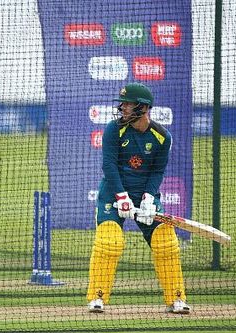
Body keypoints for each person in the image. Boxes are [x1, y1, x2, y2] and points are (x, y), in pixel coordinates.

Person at [86, 82, 190, 314]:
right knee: (109, 241)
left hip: (144, 194)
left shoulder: (162, 137)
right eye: (122, 104)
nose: (122, 107)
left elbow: (157, 171)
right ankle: (97, 297)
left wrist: (149, 198)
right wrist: (121, 196)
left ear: (142, 108)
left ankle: (177, 299)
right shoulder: (115, 129)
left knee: (166, 240)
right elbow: (109, 165)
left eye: (127, 104)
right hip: (113, 193)